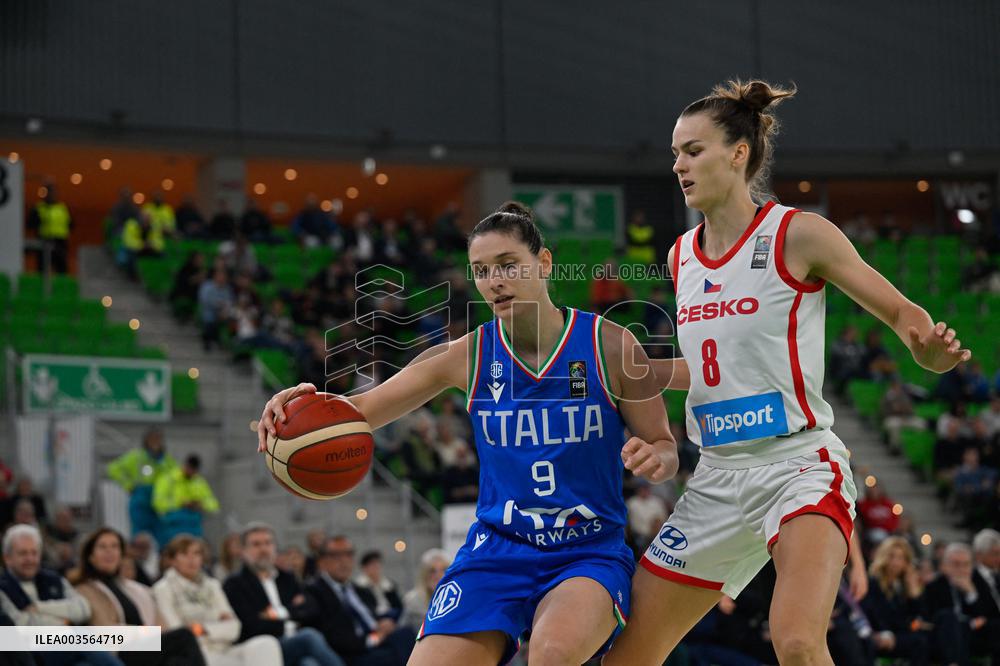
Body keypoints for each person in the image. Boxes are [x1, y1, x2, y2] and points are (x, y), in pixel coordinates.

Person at [605, 79, 972, 666]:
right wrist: (629, 371)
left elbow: (901, 312)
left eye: (692, 151)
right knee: (628, 656)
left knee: (798, 642)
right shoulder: (680, 257)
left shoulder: (796, 233)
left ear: (738, 153)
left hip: (797, 468)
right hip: (716, 479)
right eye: (675, 153)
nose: (678, 165)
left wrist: (924, 345)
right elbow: (709, 368)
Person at [258, 201, 678, 665]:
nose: (494, 280)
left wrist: (657, 457)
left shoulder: (611, 345)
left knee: (552, 654)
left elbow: (663, 444)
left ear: (543, 264)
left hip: (587, 550)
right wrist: (301, 404)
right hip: (497, 549)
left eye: (507, 265)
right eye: (480, 270)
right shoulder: (466, 355)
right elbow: (358, 412)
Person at [71, 528, 207, 666]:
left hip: (147, 646)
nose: (109, 551)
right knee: (184, 637)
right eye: (102, 547)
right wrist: (147, 633)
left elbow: (162, 625)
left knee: (177, 661)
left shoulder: (136, 589)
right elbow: (104, 629)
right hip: (119, 651)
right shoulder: (84, 590)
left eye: (114, 546)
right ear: (91, 556)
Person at [221, 523, 345, 666]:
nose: (263, 549)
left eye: (268, 543)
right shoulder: (234, 584)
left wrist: (279, 613)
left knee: (308, 663)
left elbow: (311, 608)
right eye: (256, 544)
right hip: (263, 647)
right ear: (243, 551)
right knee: (309, 637)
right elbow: (251, 625)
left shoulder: (287, 578)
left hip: (294, 645)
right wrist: (292, 617)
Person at [0, 525, 123, 666]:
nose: (30, 559)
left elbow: (83, 608)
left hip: (65, 652)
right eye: (23, 553)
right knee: (79, 636)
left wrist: (39, 608)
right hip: (32, 652)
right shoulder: (3, 588)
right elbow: (20, 626)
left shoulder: (54, 579)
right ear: (7, 558)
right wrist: (64, 622)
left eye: (34, 553)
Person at [153, 535, 282, 666]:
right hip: (195, 653)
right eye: (184, 554)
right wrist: (217, 625)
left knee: (266, 643)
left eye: (196, 553)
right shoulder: (163, 589)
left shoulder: (213, 585)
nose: (191, 559)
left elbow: (235, 628)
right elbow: (179, 634)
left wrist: (202, 629)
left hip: (224, 649)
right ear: (173, 560)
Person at [305, 536, 414, 666]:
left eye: (348, 554)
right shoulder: (314, 591)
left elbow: (376, 614)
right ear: (322, 562)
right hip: (352, 652)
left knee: (407, 634)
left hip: (377, 641)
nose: (344, 561)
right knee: (401, 646)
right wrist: (374, 638)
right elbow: (332, 636)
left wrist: (384, 623)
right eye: (336, 555)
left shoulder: (360, 590)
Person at [923, 542, 1000, 665]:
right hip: (944, 636)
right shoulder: (934, 586)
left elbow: (991, 614)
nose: (961, 569)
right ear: (945, 565)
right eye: (956, 564)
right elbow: (933, 617)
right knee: (949, 618)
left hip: (975, 634)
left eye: (966, 564)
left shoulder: (978, 583)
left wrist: (971, 594)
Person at [859, 537, 930, 665]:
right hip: (879, 635)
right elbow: (872, 613)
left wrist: (913, 593)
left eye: (901, 558)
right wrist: (883, 634)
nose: (896, 562)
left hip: (899, 635)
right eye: (892, 556)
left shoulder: (904, 585)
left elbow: (915, 618)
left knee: (925, 639)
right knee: (919, 642)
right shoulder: (873, 582)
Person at [106, 428, 177, 544]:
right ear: (146, 441)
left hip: (161, 503)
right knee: (140, 537)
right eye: (152, 439)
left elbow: (177, 479)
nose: (155, 442)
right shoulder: (136, 457)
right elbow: (113, 469)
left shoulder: (168, 461)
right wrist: (128, 484)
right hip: (141, 500)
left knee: (163, 536)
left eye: (158, 439)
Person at [152, 454, 220, 543]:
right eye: (190, 469)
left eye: (194, 471)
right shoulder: (168, 479)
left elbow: (214, 505)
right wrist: (180, 503)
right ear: (185, 465)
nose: (191, 473)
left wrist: (201, 505)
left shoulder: (199, 481)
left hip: (194, 527)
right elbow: (157, 503)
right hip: (173, 527)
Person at [399, 549, 451, 631]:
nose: (438, 575)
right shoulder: (412, 601)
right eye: (432, 571)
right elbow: (402, 632)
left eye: (443, 570)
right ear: (424, 574)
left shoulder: (458, 599)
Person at [27, 183, 72, 273]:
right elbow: (30, 224)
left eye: (54, 192)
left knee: (62, 270)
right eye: (50, 192)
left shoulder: (62, 208)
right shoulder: (38, 208)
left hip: (60, 243)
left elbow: (70, 224)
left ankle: (62, 286)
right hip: (44, 242)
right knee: (42, 270)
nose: (52, 194)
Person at [353, 551, 403, 620]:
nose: (376, 566)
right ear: (364, 568)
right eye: (372, 564)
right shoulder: (358, 587)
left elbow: (399, 606)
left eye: (378, 563)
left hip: (392, 620)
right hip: (372, 621)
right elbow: (363, 609)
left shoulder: (389, 585)